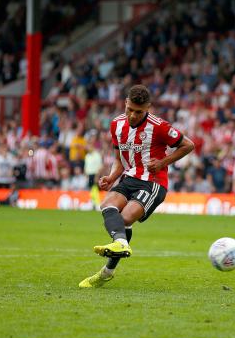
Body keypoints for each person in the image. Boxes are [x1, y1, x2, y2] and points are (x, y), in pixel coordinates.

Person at [79, 85, 194, 288]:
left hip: (154, 182)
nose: (132, 115)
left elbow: (189, 145)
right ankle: (111, 265)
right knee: (107, 205)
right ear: (125, 103)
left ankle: (109, 267)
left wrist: (162, 162)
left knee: (125, 218)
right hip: (129, 176)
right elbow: (119, 158)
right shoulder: (116, 124)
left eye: (138, 112)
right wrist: (112, 176)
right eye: (129, 109)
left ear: (148, 108)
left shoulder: (159, 126)